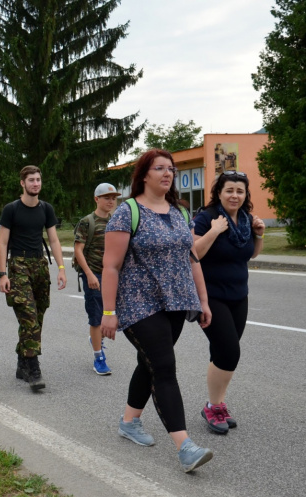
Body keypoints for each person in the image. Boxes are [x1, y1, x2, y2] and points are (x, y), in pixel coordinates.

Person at [101, 149, 214, 473]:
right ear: (144, 175)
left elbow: (192, 258)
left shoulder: (179, 212)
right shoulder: (127, 213)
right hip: (138, 304)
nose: (167, 173)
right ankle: (185, 447)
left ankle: (129, 421)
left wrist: (203, 300)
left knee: (149, 362)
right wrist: (108, 312)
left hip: (176, 302)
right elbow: (111, 266)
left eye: (171, 169)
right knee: (164, 366)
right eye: (160, 168)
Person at [193, 171, 265, 434]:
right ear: (219, 193)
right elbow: (194, 253)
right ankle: (212, 407)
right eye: (229, 190)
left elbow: (251, 255)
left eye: (240, 191)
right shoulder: (206, 218)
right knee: (229, 352)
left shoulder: (246, 219)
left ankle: (219, 403)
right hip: (211, 297)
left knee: (221, 352)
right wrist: (214, 231)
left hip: (238, 296)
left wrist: (259, 235)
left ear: (245, 194)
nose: (235, 195)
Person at [0, 165, 67, 391]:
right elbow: (2, 243)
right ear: (22, 183)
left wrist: (61, 268)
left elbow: (54, 240)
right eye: (31, 180)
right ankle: (34, 368)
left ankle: (22, 362)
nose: (36, 183)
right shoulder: (11, 209)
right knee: (29, 317)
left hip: (40, 266)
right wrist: (2, 274)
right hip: (18, 265)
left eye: (38, 180)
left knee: (38, 315)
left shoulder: (46, 209)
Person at [73, 183, 121, 376]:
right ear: (96, 199)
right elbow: (78, 250)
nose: (111, 201)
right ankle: (98, 357)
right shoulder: (87, 222)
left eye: (113, 198)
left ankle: (96, 340)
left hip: (111, 276)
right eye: (106, 198)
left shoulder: (116, 221)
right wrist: (89, 274)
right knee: (96, 317)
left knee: (109, 314)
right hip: (93, 274)